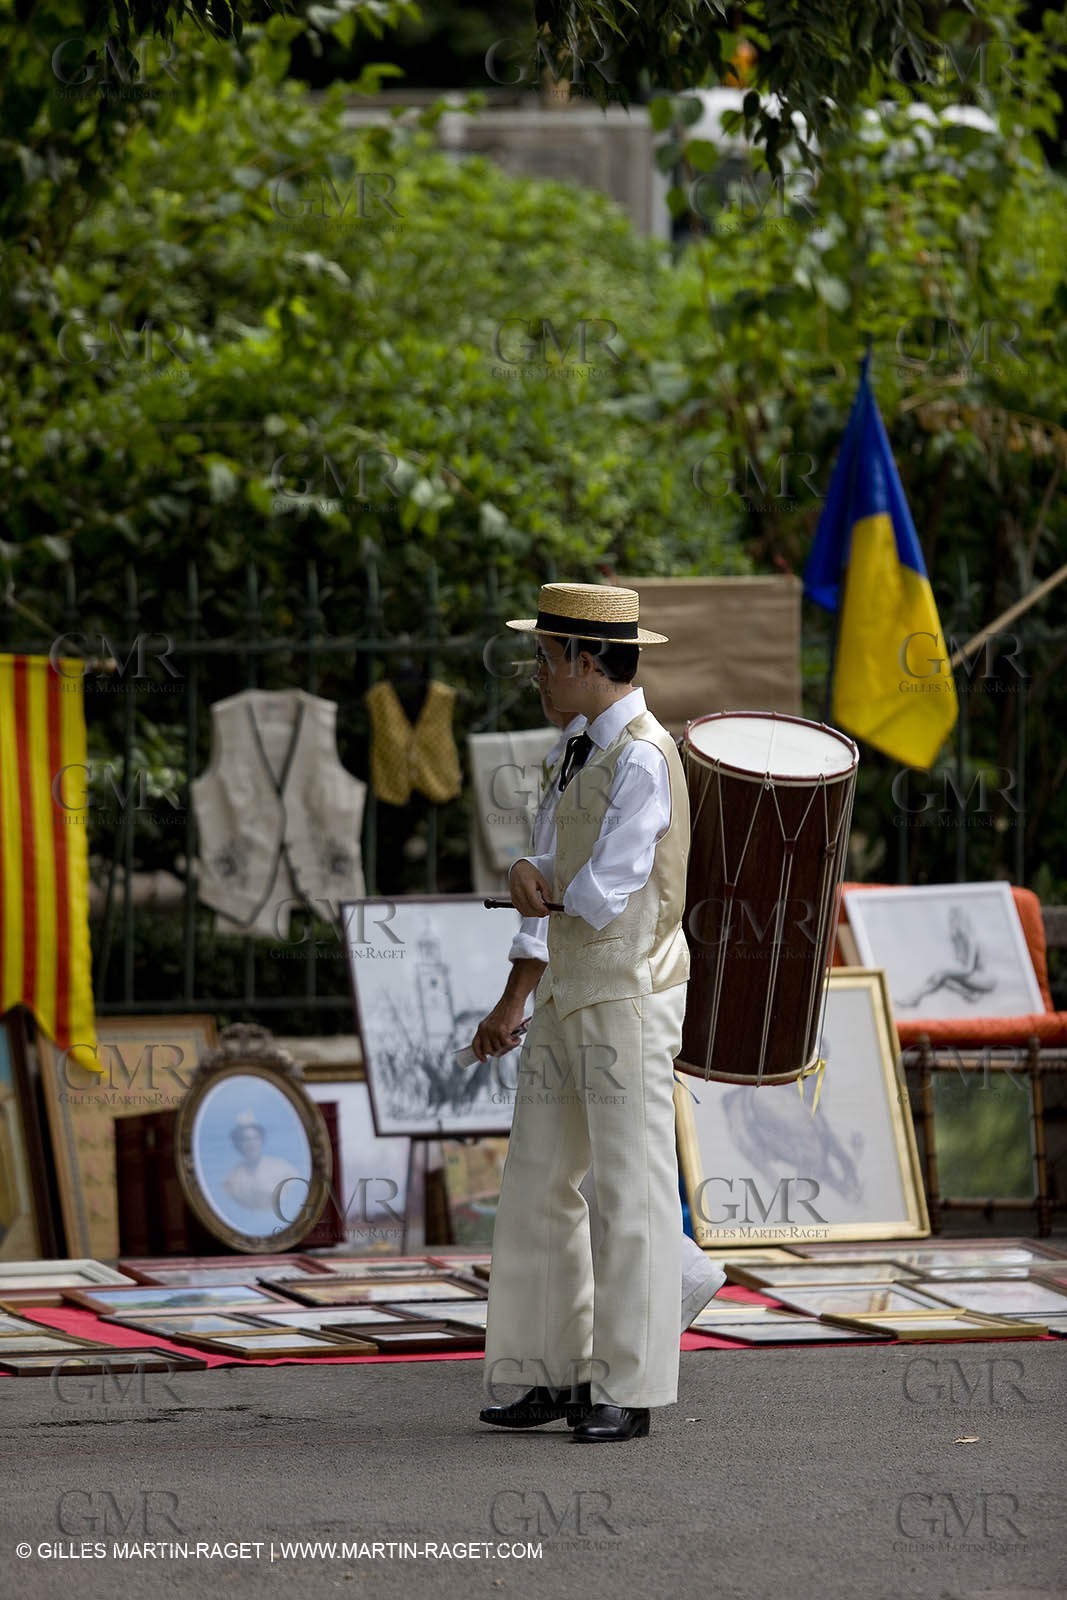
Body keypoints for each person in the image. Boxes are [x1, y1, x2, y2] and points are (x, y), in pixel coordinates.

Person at [478, 581, 697, 1443]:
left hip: (629, 992)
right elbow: (550, 857)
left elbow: (605, 891)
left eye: (545, 656)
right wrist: (527, 885)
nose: (537, 672)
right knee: (537, 1181)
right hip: (573, 987)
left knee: (629, 1189)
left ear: (585, 660)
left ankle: (628, 1386)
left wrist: (537, 885)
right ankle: (548, 1372)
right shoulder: (573, 746)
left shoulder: (644, 755)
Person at [222, 1112, 300, 1215]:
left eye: (256, 1138)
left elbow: (293, 1199)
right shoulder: (232, 1180)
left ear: (262, 1141)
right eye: (245, 1140)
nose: (252, 1144)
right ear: (238, 1145)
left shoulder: (283, 1169)